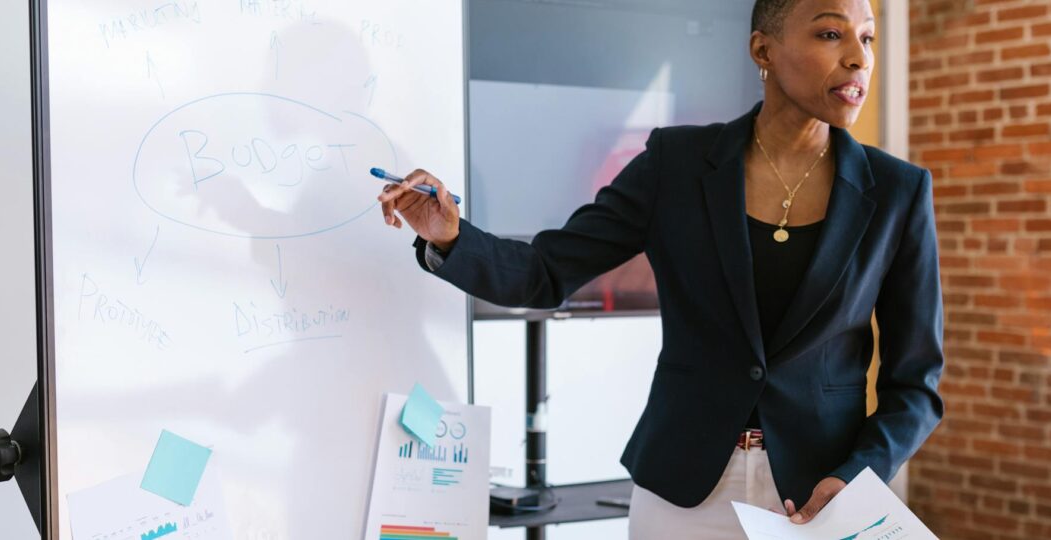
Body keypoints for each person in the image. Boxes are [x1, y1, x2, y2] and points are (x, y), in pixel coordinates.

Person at [377, 0, 944, 537]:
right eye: (830, 33)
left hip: (821, 499)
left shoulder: (898, 191)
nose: (858, 57)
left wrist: (857, 473)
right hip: (681, 494)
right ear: (763, 50)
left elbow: (915, 383)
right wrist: (450, 236)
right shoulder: (677, 164)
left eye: (867, 38)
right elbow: (545, 271)